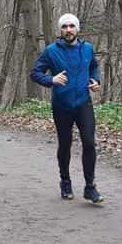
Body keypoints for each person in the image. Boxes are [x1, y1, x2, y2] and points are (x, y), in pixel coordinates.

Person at [31, 13, 103, 204]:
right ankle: (65, 181)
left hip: (84, 103)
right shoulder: (51, 51)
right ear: (60, 30)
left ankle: (90, 187)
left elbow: (94, 68)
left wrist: (96, 81)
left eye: (72, 26)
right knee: (65, 144)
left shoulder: (87, 48)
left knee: (89, 142)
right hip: (62, 106)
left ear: (77, 29)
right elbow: (35, 73)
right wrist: (51, 79)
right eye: (65, 27)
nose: (68, 30)